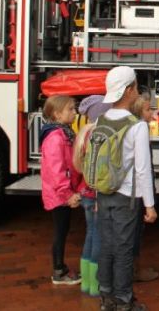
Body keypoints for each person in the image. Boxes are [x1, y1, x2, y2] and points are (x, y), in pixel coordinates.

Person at [96, 66, 157, 311]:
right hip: (126, 197)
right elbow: (143, 170)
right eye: (135, 87)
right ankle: (123, 301)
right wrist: (150, 206)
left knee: (107, 246)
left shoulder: (101, 120)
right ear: (130, 90)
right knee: (124, 249)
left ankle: (106, 298)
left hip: (103, 193)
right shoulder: (136, 126)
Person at [40, 94, 82, 286]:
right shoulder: (56, 138)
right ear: (57, 114)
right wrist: (68, 194)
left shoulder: (63, 133)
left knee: (62, 229)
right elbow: (57, 171)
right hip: (59, 195)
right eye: (70, 109)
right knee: (60, 230)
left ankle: (60, 268)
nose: (75, 112)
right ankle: (59, 270)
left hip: (61, 193)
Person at [72, 95, 111, 298]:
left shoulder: (84, 134)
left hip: (85, 193)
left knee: (90, 234)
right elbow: (99, 169)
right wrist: (99, 195)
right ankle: (97, 285)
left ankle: (86, 283)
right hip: (96, 195)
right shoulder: (99, 135)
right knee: (99, 237)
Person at [129, 90, 159, 283]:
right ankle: (134, 271)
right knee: (135, 233)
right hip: (137, 192)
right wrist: (150, 200)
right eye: (148, 110)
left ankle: (134, 269)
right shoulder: (140, 129)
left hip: (133, 191)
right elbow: (143, 168)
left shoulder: (135, 127)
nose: (152, 114)